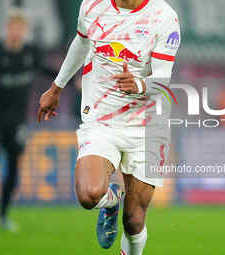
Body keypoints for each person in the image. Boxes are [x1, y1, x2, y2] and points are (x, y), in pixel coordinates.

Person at [37, 0, 180, 254]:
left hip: (146, 126)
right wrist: (56, 87)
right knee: (88, 195)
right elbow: (81, 42)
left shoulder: (164, 17)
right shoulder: (92, 5)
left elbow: (163, 79)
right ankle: (111, 200)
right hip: (101, 120)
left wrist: (139, 85)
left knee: (134, 220)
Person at [0, 9, 56, 231]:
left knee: (14, 167)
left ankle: (3, 215)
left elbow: (49, 71)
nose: (16, 32)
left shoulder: (30, 53)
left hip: (17, 121)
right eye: (12, 27)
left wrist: (71, 80)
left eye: (19, 28)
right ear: (8, 29)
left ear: (24, 30)